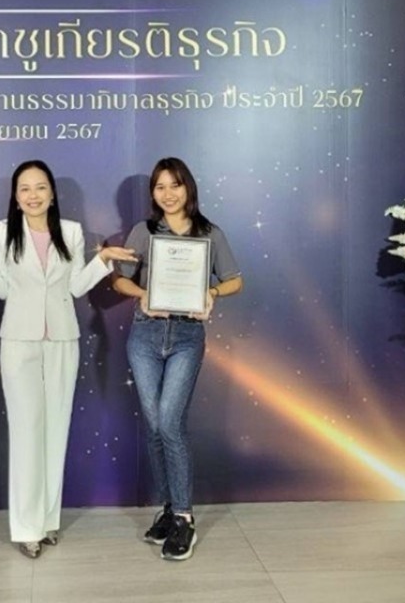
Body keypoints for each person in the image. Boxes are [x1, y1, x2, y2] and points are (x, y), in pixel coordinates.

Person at [0, 160, 136, 558]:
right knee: (26, 430)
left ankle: (48, 521)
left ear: (52, 193)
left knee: (55, 429)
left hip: (63, 339)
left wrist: (102, 260)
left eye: (40, 187)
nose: (33, 195)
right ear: (16, 197)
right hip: (19, 341)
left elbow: (76, 286)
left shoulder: (72, 232)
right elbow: (4, 288)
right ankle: (26, 527)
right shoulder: (4, 232)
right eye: (25, 189)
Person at [111, 157, 243, 561]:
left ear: (189, 188)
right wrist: (142, 295)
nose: (168, 194)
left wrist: (211, 292)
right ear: (153, 193)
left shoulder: (210, 233)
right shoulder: (144, 232)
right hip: (145, 335)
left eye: (175, 185)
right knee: (155, 427)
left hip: (187, 335)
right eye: (160, 186)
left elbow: (235, 280)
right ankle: (169, 509)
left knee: (169, 422)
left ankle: (184, 517)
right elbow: (119, 280)